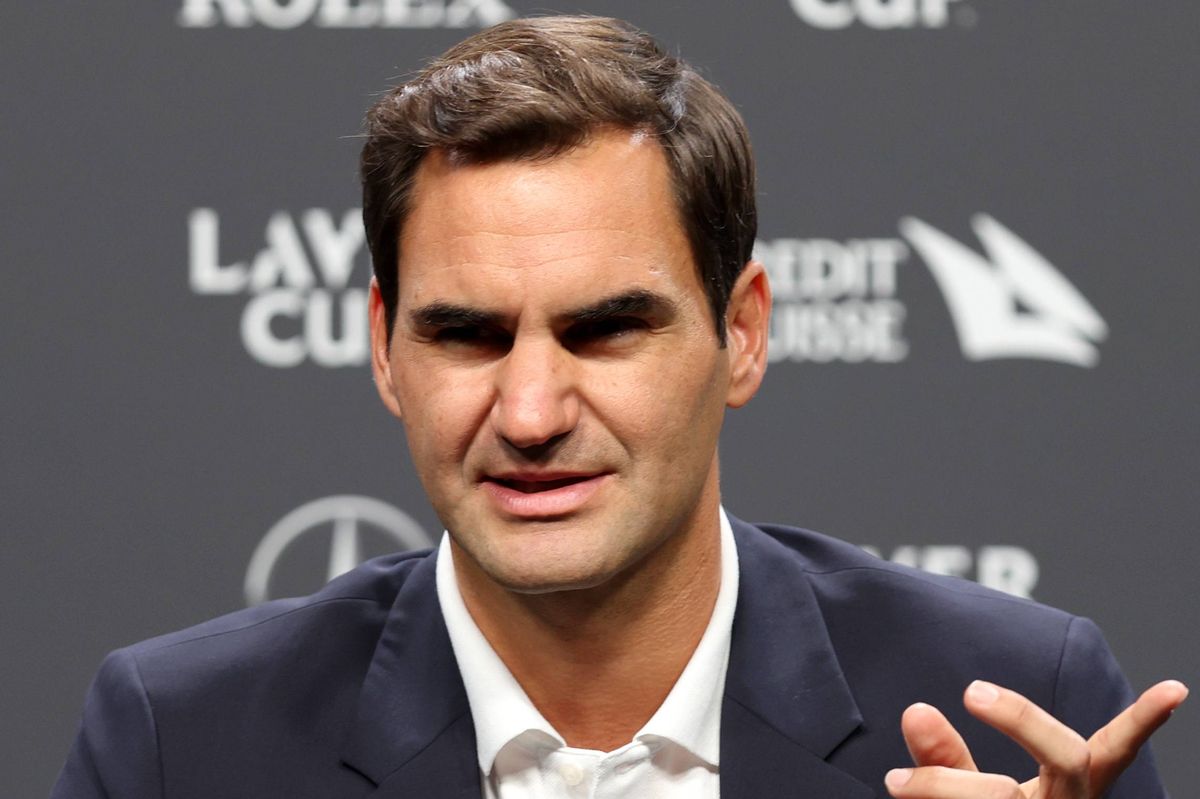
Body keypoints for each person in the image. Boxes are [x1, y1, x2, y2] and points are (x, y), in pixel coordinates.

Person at [53, 15, 1185, 799]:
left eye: (604, 329)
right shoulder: (180, 742)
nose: (533, 410)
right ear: (383, 350)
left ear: (740, 332)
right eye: (467, 334)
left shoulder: (1021, 711)